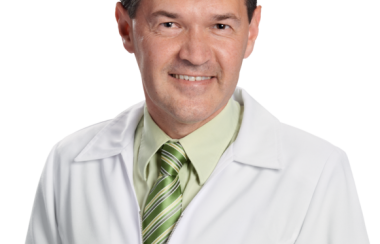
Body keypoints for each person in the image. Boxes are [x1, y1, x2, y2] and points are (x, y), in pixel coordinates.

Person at [25, 0, 370, 243]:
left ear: (252, 31)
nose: (195, 54)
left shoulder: (318, 173)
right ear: (125, 28)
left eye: (220, 26)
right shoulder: (68, 162)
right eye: (169, 24)